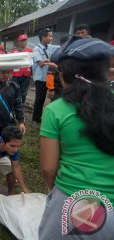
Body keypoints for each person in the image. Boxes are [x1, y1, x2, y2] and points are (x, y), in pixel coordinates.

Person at [39, 38, 114, 239]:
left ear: (64, 75)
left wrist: (58, 193)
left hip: (73, 203)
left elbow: (48, 168)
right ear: (106, 72)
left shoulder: (56, 110)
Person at [0, 69, 26, 137]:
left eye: (8, 72)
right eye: (3, 72)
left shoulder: (14, 86)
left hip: (8, 122)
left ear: (11, 73)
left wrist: (21, 122)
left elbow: (18, 105)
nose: (6, 75)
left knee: (7, 143)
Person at [31, 28, 59, 128]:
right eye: (50, 36)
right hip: (40, 78)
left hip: (50, 76)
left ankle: (48, 118)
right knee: (40, 99)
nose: (51, 38)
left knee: (53, 97)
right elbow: (40, 63)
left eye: (52, 36)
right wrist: (46, 61)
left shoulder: (49, 47)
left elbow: (60, 47)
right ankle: (35, 119)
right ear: (43, 37)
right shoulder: (36, 49)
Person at [11, 34, 33, 104]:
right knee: (14, 90)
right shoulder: (14, 51)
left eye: (25, 40)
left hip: (26, 75)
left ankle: (21, 106)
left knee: (24, 93)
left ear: (27, 41)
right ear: (18, 42)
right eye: (21, 41)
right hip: (15, 75)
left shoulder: (30, 51)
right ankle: (13, 105)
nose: (23, 42)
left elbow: (32, 63)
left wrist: (32, 73)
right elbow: (11, 62)